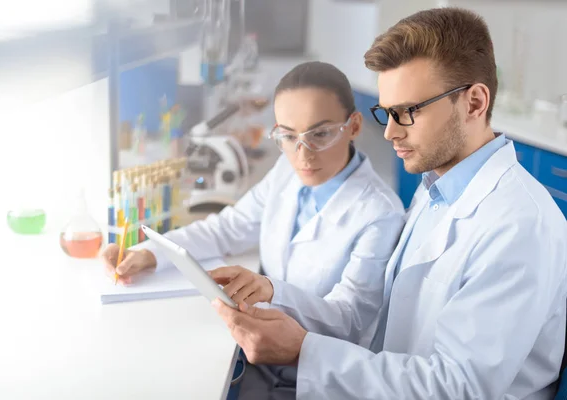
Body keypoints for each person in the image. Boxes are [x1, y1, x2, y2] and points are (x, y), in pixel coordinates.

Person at [212, 7, 567, 400]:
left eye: (408, 112)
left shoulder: (519, 225)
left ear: (474, 103)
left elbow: (460, 388)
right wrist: (274, 293)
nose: (391, 132)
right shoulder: (436, 188)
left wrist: (303, 351)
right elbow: (375, 313)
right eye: (387, 113)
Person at [102, 61, 405, 398]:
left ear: (354, 125)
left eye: (320, 133)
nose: (302, 154)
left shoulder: (380, 213)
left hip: (318, 380)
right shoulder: (285, 171)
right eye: (288, 136)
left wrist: (272, 290)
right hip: (262, 360)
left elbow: (349, 320)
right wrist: (150, 252)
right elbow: (228, 228)